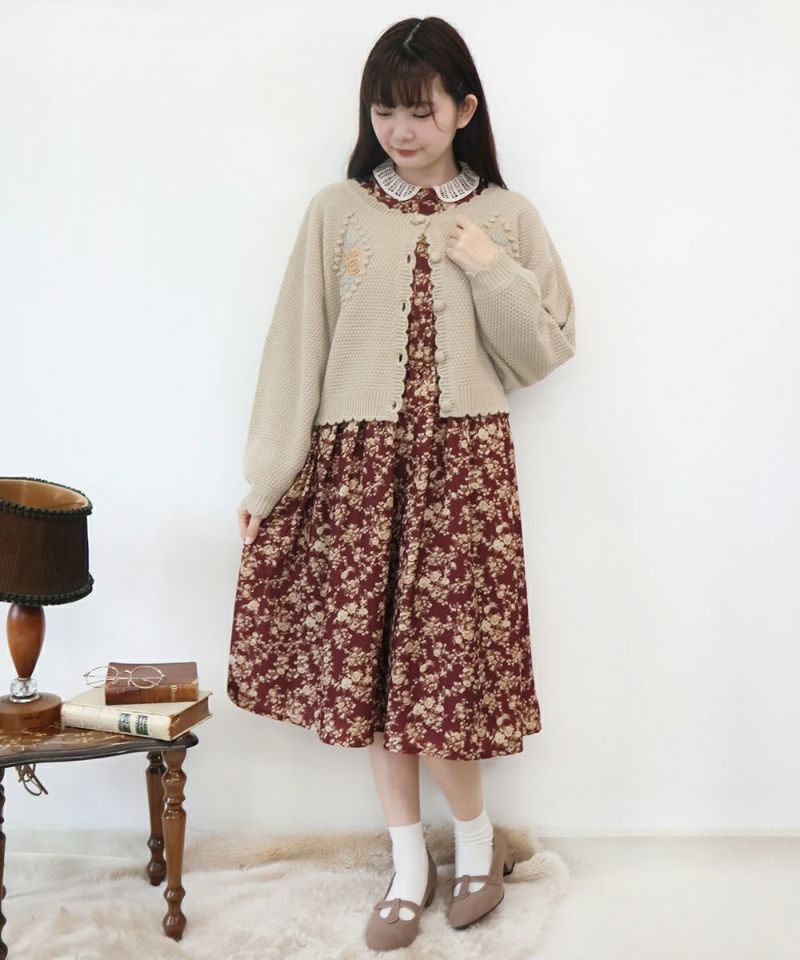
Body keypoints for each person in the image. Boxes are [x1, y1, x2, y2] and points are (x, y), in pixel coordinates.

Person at [227, 15, 576, 951]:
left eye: (420, 111)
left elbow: (545, 350)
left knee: (445, 680)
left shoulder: (508, 217)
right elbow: (296, 350)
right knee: (379, 680)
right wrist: (267, 482)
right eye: (385, 111)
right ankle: (407, 865)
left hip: (464, 476)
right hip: (357, 475)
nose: (401, 130)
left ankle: (476, 847)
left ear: (465, 109)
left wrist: (491, 269)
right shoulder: (335, 212)